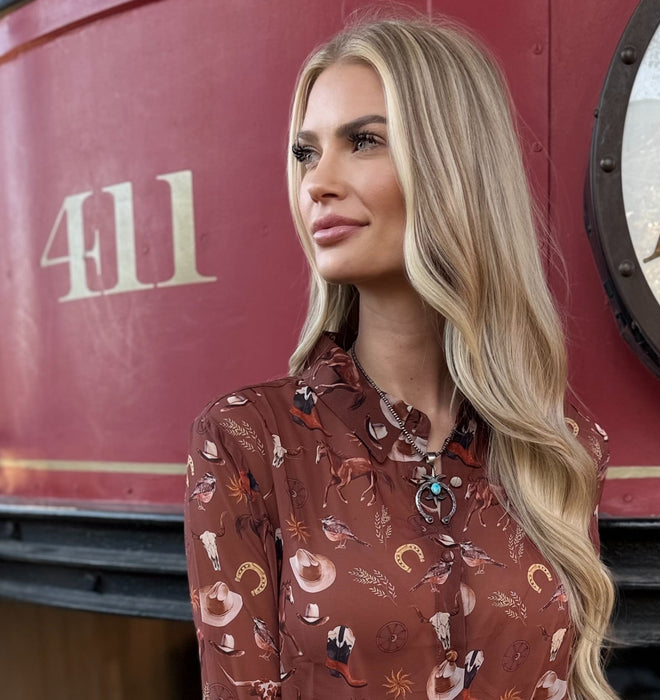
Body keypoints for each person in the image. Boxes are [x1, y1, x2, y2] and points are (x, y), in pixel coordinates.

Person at [184, 16, 617, 700]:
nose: (316, 182)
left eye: (362, 141)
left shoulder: (558, 451)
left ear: (452, 166)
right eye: (305, 152)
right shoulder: (250, 440)